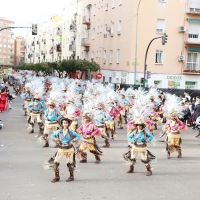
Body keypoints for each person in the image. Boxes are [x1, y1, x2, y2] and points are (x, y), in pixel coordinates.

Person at [49, 118, 81, 183]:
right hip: (61, 148)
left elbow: (78, 136)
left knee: (69, 163)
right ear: (62, 124)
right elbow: (52, 135)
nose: (65, 124)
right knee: (56, 163)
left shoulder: (71, 131)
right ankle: (56, 176)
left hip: (69, 149)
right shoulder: (59, 131)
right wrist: (56, 139)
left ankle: (71, 176)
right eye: (64, 123)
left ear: (68, 124)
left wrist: (73, 140)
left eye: (66, 123)